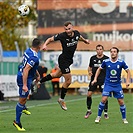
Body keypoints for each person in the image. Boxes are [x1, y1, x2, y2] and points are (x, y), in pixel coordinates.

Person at [39, 21, 90, 110]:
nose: (67, 31)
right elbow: (50, 39)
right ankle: (61, 99)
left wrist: (85, 41)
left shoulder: (76, 33)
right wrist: (45, 45)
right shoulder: (62, 35)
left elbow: (79, 37)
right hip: (63, 60)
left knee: (56, 75)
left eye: (69, 29)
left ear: (72, 28)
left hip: (69, 60)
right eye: (66, 29)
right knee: (68, 80)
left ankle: (39, 81)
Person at [92, 47, 130, 124]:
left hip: (117, 85)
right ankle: (98, 117)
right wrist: (95, 79)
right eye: (111, 52)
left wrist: (127, 81)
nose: (113, 53)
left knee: (121, 102)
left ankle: (124, 119)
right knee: (103, 99)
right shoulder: (106, 62)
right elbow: (99, 69)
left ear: (117, 53)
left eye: (114, 51)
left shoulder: (121, 62)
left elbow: (128, 71)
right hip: (108, 84)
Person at [13, 38, 42, 131]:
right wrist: (25, 85)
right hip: (24, 78)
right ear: (39, 46)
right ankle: (17, 122)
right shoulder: (34, 57)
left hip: (21, 75)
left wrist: (37, 74)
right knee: (22, 99)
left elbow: (29, 66)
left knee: (24, 97)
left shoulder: (28, 50)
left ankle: (23, 107)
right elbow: (26, 70)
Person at [84, 44, 109, 119]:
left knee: (104, 96)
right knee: (89, 94)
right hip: (94, 79)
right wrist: (89, 72)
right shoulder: (92, 58)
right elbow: (89, 67)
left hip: (103, 79)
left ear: (103, 50)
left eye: (100, 49)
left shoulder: (106, 59)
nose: (99, 51)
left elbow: (109, 68)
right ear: (96, 50)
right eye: (98, 49)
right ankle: (89, 110)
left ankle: (105, 112)